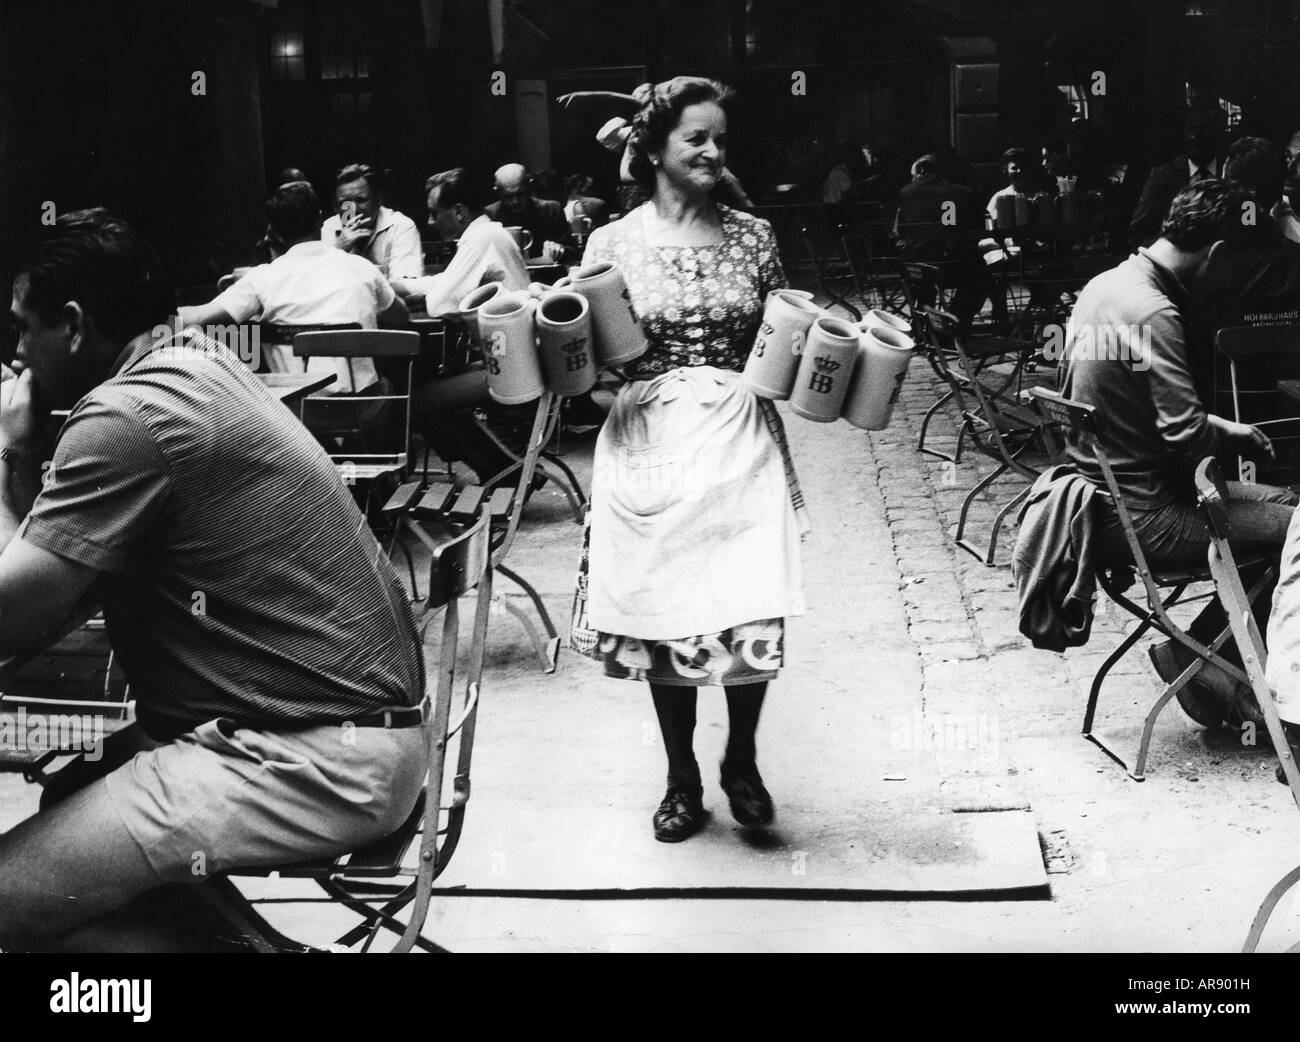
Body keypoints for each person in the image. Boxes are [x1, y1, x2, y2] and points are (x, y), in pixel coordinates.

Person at [0, 209, 428, 951]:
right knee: (74, 791)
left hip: (312, 762)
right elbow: (64, 591)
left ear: (71, 325)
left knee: (15, 905)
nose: (15, 350)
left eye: (22, 328)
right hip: (361, 740)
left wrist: (6, 457)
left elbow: (14, 620)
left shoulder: (125, 418)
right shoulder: (198, 361)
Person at [571, 76, 806, 844]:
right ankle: (681, 778)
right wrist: (616, 400)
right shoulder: (612, 244)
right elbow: (587, 359)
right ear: (654, 147)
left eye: (720, 140)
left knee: (747, 600)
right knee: (662, 608)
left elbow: (780, 342)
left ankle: (741, 759)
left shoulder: (754, 236)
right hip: (651, 444)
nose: (712, 151)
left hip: (740, 436)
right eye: (696, 138)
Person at [1058, 179, 1297, 726]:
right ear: (1215, 253)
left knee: (1286, 503)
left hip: (1099, 499)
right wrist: (1208, 432)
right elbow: (1183, 438)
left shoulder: (1104, 287)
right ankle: (1252, 681)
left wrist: (1225, 429)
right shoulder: (1155, 312)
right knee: (1299, 530)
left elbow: (1122, 402)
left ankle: (1200, 653)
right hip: (1146, 518)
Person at [180, 182, 408, 397]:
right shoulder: (362, 268)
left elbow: (200, 317)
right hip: (359, 406)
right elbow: (400, 317)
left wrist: (154, 315)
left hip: (294, 409)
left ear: (275, 233)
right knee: (388, 383)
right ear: (320, 220)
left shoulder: (262, 277)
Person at [393, 168, 529, 485]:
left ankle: (504, 472)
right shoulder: (488, 233)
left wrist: (403, 288)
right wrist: (402, 285)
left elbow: (440, 303)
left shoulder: (479, 239)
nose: (429, 221)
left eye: (433, 212)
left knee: (419, 399)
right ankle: (504, 469)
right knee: (434, 393)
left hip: (511, 366)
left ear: (457, 212)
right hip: (515, 357)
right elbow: (448, 283)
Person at [893, 153, 998, 334]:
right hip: (946, 265)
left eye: (913, 175)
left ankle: (926, 324)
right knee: (981, 273)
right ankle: (957, 320)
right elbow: (954, 229)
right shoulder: (957, 193)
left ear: (921, 170)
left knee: (930, 275)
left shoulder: (905, 193)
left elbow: (899, 232)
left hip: (914, 268)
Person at [1128, 105, 1226, 248]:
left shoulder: (1231, 171)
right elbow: (1137, 233)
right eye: (1191, 130)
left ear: (1217, 133)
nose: (1196, 137)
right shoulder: (1162, 175)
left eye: (1204, 130)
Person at [321, 163, 424, 280]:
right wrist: (339, 249)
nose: (353, 209)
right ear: (335, 207)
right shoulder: (329, 227)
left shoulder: (400, 226)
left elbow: (406, 284)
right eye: (346, 203)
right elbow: (320, 283)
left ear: (378, 201)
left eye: (361, 200)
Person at [485, 163, 575, 263]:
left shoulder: (551, 210)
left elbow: (574, 251)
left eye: (520, 194)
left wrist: (560, 248)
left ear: (529, 188)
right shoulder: (490, 216)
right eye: (507, 197)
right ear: (498, 193)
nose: (515, 201)